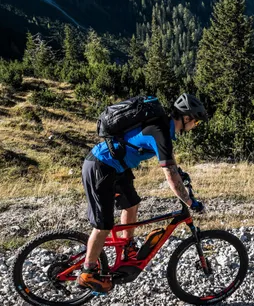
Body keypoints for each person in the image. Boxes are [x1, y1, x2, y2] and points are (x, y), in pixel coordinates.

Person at [77, 93, 208, 293]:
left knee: (131, 204)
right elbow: (170, 176)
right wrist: (190, 202)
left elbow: (171, 164)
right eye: (196, 122)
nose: (194, 127)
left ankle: (127, 247)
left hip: (116, 167)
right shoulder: (161, 131)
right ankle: (88, 272)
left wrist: (181, 175)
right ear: (187, 118)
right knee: (103, 224)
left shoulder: (163, 127)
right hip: (100, 166)